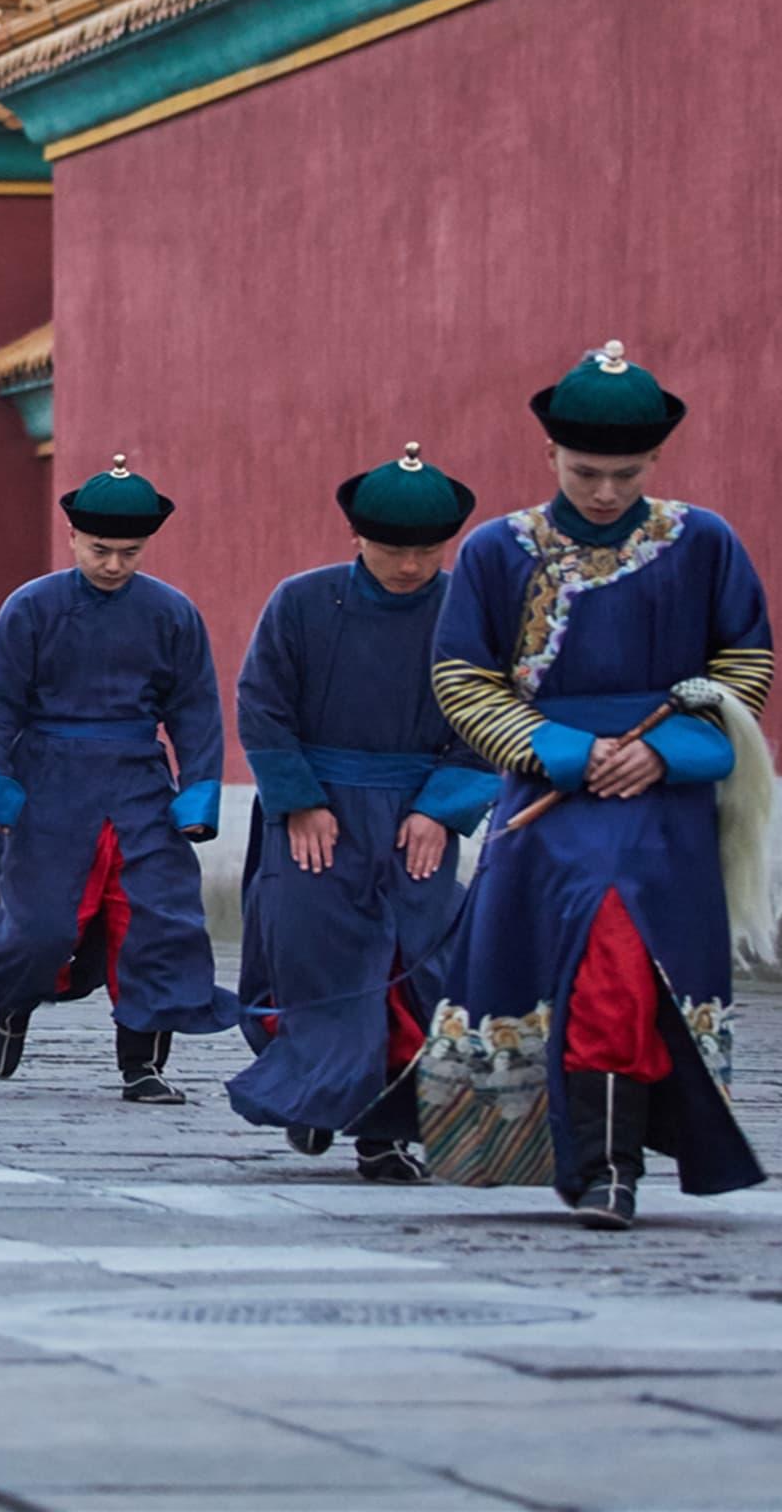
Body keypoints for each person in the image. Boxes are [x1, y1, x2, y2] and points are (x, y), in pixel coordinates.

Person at [418, 341, 778, 1230]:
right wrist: (570, 753)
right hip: (549, 796)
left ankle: (610, 1165)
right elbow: (463, 676)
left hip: (666, 804)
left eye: (627, 473)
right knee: (572, 969)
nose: (606, 492)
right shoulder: (499, 550)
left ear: (656, 461)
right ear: (549, 457)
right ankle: (596, 1162)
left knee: (621, 963)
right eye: (586, 472)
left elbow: (744, 664)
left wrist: (667, 753)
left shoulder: (705, 542)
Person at [223, 446, 504, 1179]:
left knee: (416, 970)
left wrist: (444, 809)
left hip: (418, 815)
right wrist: (300, 802)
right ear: (357, 537)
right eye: (390, 550)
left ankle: (385, 1130)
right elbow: (263, 704)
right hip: (319, 812)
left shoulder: (471, 616)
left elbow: (490, 715)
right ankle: (318, 1094)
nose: (408, 567)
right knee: (313, 962)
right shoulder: (302, 602)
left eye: (426, 552)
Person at [0, 457, 239, 1104]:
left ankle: (143, 1064)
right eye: (100, 550)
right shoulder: (31, 608)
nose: (113, 565)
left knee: (155, 922)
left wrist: (197, 790)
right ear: (74, 538)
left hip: (138, 785)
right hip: (47, 783)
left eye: (129, 553)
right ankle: (13, 1004)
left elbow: (195, 709)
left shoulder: (171, 613)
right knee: (41, 926)